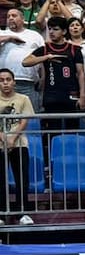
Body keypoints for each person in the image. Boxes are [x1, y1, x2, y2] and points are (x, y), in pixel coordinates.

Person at [0, 68, 35, 225]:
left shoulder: (23, 98)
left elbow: (24, 121)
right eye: (1, 80)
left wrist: (13, 138)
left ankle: (23, 213)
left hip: (19, 144)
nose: (5, 83)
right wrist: (3, 137)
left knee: (22, 179)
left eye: (8, 79)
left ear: (14, 82)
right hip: (0, 144)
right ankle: (1, 213)